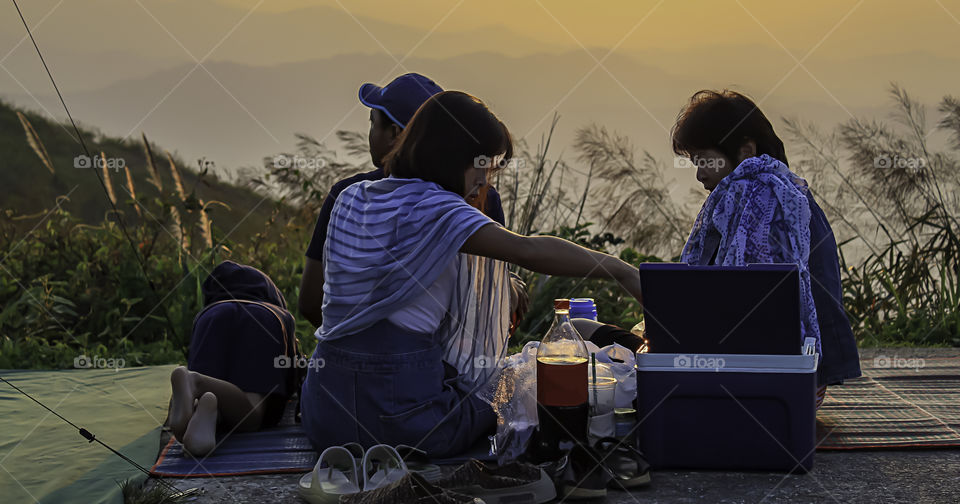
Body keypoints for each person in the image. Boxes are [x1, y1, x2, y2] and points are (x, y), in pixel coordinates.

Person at [299, 91, 642, 458]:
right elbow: (529, 250)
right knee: (514, 387)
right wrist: (621, 270)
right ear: (453, 157)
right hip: (404, 425)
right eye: (484, 164)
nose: (486, 179)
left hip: (324, 413)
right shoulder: (441, 211)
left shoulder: (350, 198)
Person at [576, 90, 861, 405]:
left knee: (581, 336)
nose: (699, 175)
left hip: (763, 383)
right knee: (582, 328)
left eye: (705, 161)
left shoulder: (759, 200)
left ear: (745, 151)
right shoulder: (785, 195)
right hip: (799, 381)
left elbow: (738, 316)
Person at [298, 72, 507, 329]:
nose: (370, 134)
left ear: (396, 133)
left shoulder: (348, 194)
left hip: (342, 354)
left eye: (373, 123)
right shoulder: (481, 199)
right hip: (444, 362)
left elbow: (311, 302)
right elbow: (490, 301)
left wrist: (359, 337)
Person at [168, 261, 299, 456]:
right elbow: (294, 370)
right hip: (262, 321)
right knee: (252, 416)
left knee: (212, 397)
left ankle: (203, 415)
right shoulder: (277, 313)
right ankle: (195, 381)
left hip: (213, 318)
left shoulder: (208, 312)